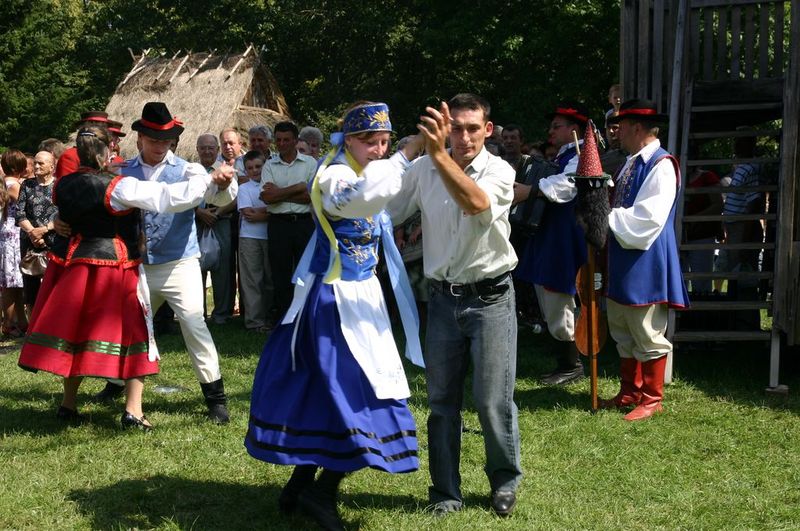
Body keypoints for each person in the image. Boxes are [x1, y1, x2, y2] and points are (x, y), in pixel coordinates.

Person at [246, 102, 425, 531]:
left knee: (333, 392)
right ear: (349, 141)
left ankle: (303, 483)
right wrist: (407, 153)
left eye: (385, 142)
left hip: (362, 299)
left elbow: (389, 200)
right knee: (351, 392)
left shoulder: (365, 172)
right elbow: (359, 200)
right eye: (371, 142)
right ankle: (321, 491)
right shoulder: (332, 176)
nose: (379, 150)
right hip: (333, 300)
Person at [18, 125, 235, 429]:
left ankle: (68, 404)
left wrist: (58, 219)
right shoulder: (118, 184)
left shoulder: (64, 184)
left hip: (77, 269)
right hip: (113, 268)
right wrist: (208, 179)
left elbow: (66, 209)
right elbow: (167, 198)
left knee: (78, 332)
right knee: (136, 332)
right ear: (108, 151)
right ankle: (133, 410)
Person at [388, 94, 522, 517]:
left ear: (488, 129)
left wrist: (437, 155)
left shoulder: (499, 170)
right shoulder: (423, 169)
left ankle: (504, 480)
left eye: (472, 128)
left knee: (491, 400)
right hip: (443, 300)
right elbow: (387, 210)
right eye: (456, 128)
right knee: (441, 402)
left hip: (491, 299)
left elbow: (476, 204)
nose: (463, 137)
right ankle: (445, 491)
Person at [82, 102, 238, 423]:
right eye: (153, 139)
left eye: (165, 140)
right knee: (127, 328)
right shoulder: (121, 170)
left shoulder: (189, 169)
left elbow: (218, 196)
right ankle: (115, 383)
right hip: (138, 267)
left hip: (180, 263)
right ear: (140, 138)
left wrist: (222, 185)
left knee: (194, 325)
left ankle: (216, 398)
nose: (160, 145)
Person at [600, 99, 689, 421]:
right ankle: (630, 391)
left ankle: (652, 398)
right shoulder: (631, 162)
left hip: (645, 258)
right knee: (622, 325)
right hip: (623, 256)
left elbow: (648, 218)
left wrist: (603, 216)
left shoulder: (661, 165)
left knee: (646, 328)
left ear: (636, 128)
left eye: (621, 126)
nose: (616, 132)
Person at [515, 102, 591, 386]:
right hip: (550, 233)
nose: (550, 131)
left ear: (574, 129)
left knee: (558, 293)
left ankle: (571, 365)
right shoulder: (564, 155)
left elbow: (568, 185)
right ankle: (564, 361)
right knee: (548, 294)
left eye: (556, 126)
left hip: (563, 236)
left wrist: (531, 190)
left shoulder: (581, 155)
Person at [259, 121, 317, 317]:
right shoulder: (269, 164)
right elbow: (267, 197)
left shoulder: (310, 163)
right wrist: (298, 187)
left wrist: (279, 193)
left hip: (303, 223)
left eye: (286, 140)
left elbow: (311, 197)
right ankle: (283, 317)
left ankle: (304, 316)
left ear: (295, 141)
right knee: (280, 272)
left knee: (305, 271)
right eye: (278, 140)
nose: (282, 144)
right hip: (278, 224)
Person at [237, 150, 274, 331]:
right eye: (250, 168)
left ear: (265, 165)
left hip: (271, 235)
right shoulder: (244, 189)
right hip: (250, 238)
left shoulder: (273, 186)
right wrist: (270, 211)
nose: (255, 170)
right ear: (245, 170)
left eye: (258, 166)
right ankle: (254, 321)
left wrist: (266, 212)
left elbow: (279, 207)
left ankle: (269, 317)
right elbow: (248, 214)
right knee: (252, 280)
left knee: (270, 279)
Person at [16, 151, 58, 308]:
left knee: (54, 288)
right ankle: (33, 321)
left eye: (41, 163)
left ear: (52, 167)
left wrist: (44, 230)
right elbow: (20, 213)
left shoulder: (59, 186)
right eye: (35, 163)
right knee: (31, 289)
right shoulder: (27, 185)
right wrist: (33, 233)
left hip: (54, 242)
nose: (36, 166)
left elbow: (65, 214)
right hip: (30, 242)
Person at [0, 149, 28, 337]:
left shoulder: (6, 183)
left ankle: (21, 321)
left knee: (16, 282)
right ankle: (9, 323)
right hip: (14, 235)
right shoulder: (14, 185)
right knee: (11, 282)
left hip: (9, 234)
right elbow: (26, 207)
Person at [55, 111, 111, 178]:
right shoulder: (70, 156)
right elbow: (68, 182)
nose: (99, 130)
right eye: (94, 125)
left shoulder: (109, 155)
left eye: (103, 126)